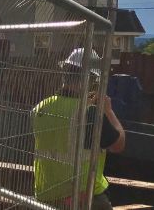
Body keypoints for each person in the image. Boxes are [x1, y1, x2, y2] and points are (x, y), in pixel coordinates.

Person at [33, 48, 126, 210]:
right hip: (84, 196)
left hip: (46, 196)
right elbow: (118, 145)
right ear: (89, 79)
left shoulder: (40, 108)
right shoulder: (87, 113)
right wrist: (108, 111)